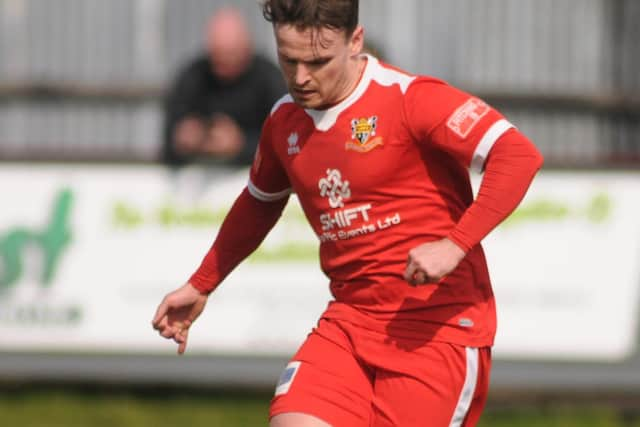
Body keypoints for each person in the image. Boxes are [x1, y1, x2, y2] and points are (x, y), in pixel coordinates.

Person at [152, 0, 544, 425]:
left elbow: (517, 155)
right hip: (350, 323)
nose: (301, 77)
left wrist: (454, 245)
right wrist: (202, 283)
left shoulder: (410, 98)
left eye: (318, 62)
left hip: (438, 333)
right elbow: (259, 202)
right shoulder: (284, 120)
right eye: (289, 60)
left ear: (355, 41)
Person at [162, 6, 286, 167]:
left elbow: (284, 141)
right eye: (217, 57)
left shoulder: (269, 79)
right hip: (196, 177)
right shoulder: (193, 76)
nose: (222, 66)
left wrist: (241, 145)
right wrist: (186, 139)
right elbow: (169, 139)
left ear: (246, 48)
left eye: (230, 56)